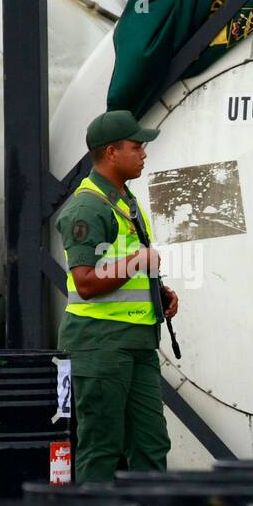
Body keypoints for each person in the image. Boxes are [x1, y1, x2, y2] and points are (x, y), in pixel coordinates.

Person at [56, 109, 178, 482]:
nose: (144, 153)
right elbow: (86, 282)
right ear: (111, 152)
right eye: (136, 147)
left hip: (137, 342)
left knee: (150, 445)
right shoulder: (88, 207)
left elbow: (119, 268)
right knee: (102, 447)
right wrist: (138, 261)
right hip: (101, 344)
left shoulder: (124, 200)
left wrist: (158, 293)